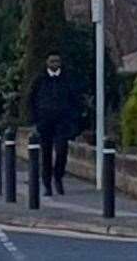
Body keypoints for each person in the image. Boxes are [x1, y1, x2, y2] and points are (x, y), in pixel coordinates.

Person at [29, 51, 81, 196]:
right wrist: (35, 119)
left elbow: (74, 99)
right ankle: (47, 184)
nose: (54, 64)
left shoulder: (67, 79)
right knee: (45, 154)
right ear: (47, 63)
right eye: (52, 61)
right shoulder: (40, 79)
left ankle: (58, 178)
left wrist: (73, 120)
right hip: (45, 122)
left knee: (61, 151)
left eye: (57, 61)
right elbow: (31, 100)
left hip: (62, 122)